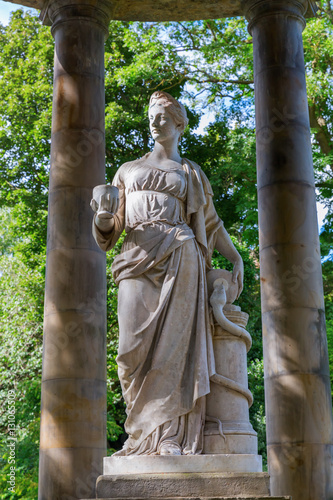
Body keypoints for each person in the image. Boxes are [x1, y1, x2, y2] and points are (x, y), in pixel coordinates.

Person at [91, 91, 243, 456]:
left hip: (180, 254)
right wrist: (103, 218)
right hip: (136, 257)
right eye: (151, 116)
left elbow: (211, 223)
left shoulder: (190, 172)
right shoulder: (128, 170)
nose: (155, 122)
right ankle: (141, 434)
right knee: (130, 350)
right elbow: (112, 227)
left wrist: (236, 258)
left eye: (162, 116)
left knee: (175, 350)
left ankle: (170, 435)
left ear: (179, 123)